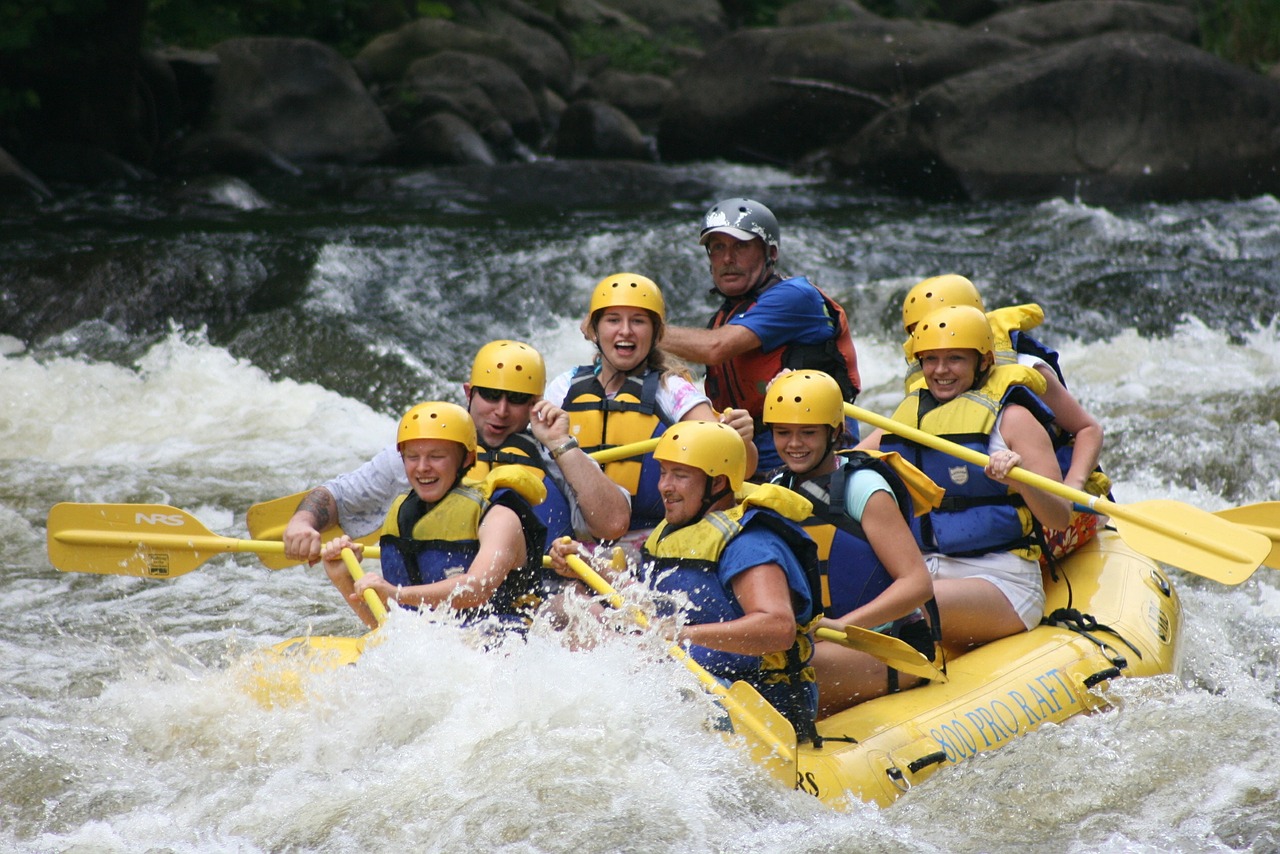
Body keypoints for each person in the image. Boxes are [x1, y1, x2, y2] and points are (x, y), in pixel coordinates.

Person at [550, 420, 823, 742]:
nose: (665, 486)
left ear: (718, 483)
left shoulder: (750, 544)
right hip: (698, 681)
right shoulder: (677, 531)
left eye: (680, 476)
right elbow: (650, 602)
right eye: (663, 472)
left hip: (756, 701)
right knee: (569, 616)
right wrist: (590, 566)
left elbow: (777, 628)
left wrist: (683, 635)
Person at [283, 339, 630, 565]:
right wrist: (302, 521)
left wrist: (561, 445)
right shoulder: (427, 453)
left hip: (535, 603)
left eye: (517, 400)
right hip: (440, 604)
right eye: (491, 395)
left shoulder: (554, 453)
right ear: (469, 393)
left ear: (536, 404)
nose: (502, 411)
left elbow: (613, 524)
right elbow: (337, 495)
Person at [858, 305, 1072, 651]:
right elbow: (842, 466)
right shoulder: (905, 421)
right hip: (922, 571)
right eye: (931, 359)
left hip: (1001, 580)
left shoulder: (1015, 421)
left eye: (955, 358)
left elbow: (1060, 517)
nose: (941, 370)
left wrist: (1021, 481)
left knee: (905, 608)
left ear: (984, 362)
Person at [762, 370, 942, 716]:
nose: (794, 444)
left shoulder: (864, 489)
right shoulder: (777, 488)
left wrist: (844, 627)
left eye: (808, 433)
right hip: (819, 643)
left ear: (833, 432)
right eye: (783, 433)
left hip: (889, 645)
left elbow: (917, 583)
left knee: (787, 676)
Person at [901, 274, 1108, 561]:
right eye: (917, 333)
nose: (927, 337)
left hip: (1052, 495)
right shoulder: (934, 377)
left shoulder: (1025, 369)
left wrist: (1072, 487)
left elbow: (1088, 428)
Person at [549, 272, 756, 546]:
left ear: (656, 333)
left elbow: (741, 466)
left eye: (638, 321)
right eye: (613, 320)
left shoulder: (671, 390)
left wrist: (741, 439)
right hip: (570, 549)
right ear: (593, 330)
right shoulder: (563, 388)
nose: (625, 331)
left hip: (653, 546)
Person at [658, 198, 862, 473]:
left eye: (740, 246)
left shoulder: (795, 297)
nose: (728, 259)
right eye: (718, 247)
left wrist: (637, 329)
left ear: (771, 252)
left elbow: (715, 348)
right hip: (750, 452)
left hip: (812, 451)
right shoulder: (723, 318)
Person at [320, 401, 547, 630]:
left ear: (467, 459)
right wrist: (343, 578)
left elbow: (478, 587)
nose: (422, 467)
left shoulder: (499, 516)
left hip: (507, 645)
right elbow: (389, 631)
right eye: (412, 457)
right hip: (443, 652)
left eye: (436, 456)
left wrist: (396, 593)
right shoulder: (402, 515)